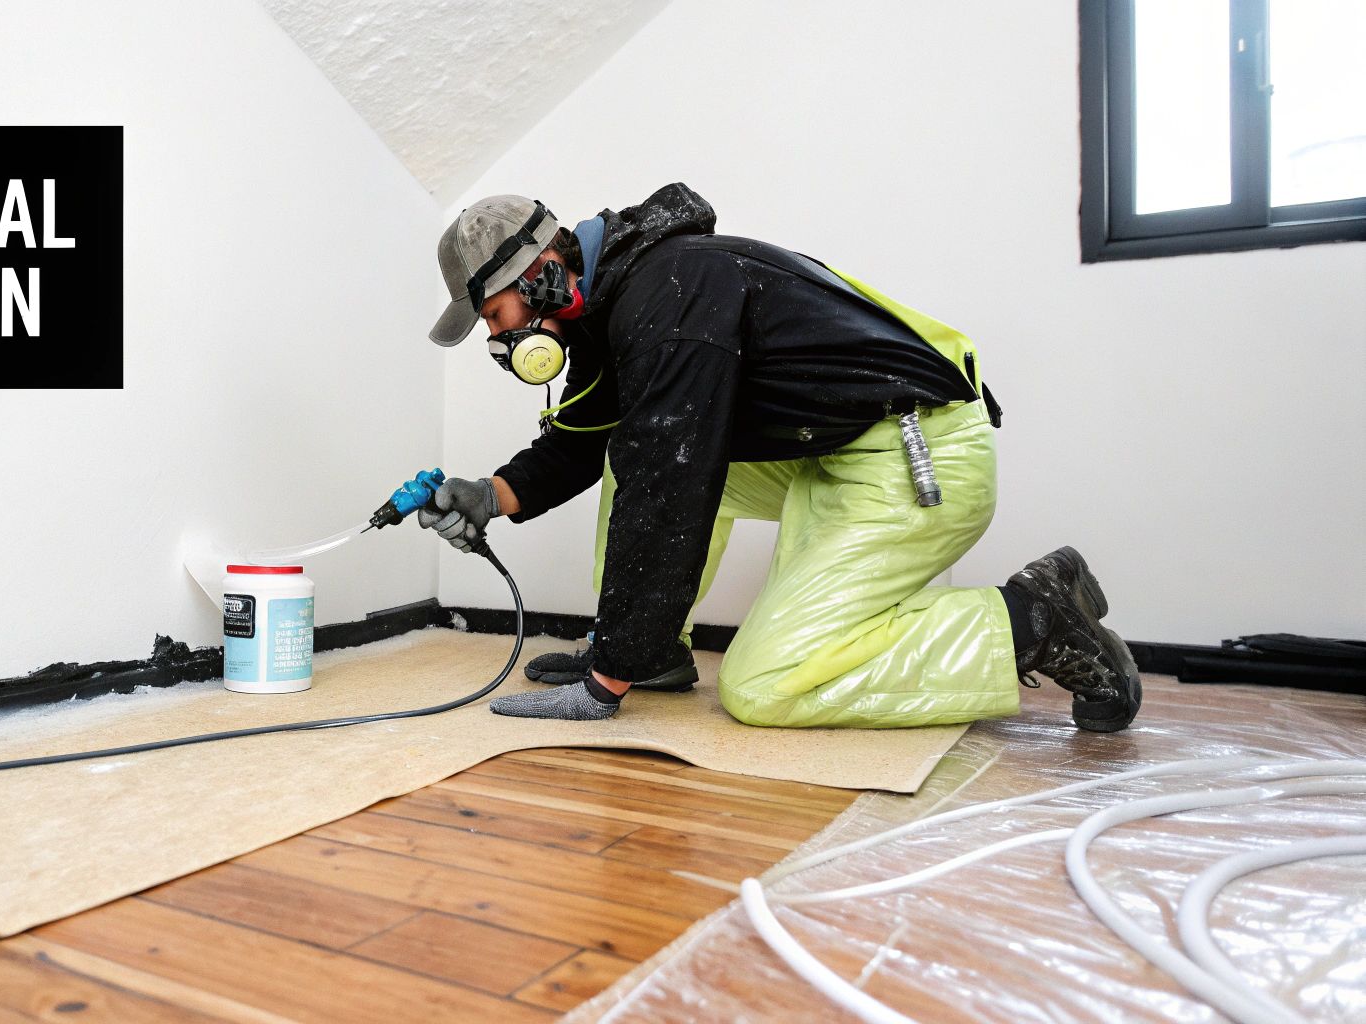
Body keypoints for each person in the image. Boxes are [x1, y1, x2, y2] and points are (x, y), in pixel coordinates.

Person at [420, 184, 1141, 731]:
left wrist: (606, 680)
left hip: (919, 455)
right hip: (837, 449)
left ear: (540, 272)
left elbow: (667, 484)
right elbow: (587, 439)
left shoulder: (668, 298)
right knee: (632, 455)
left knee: (763, 685)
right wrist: (492, 494)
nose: (500, 342)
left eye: (494, 317)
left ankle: (1030, 620)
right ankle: (656, 651)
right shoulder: (618, 305)